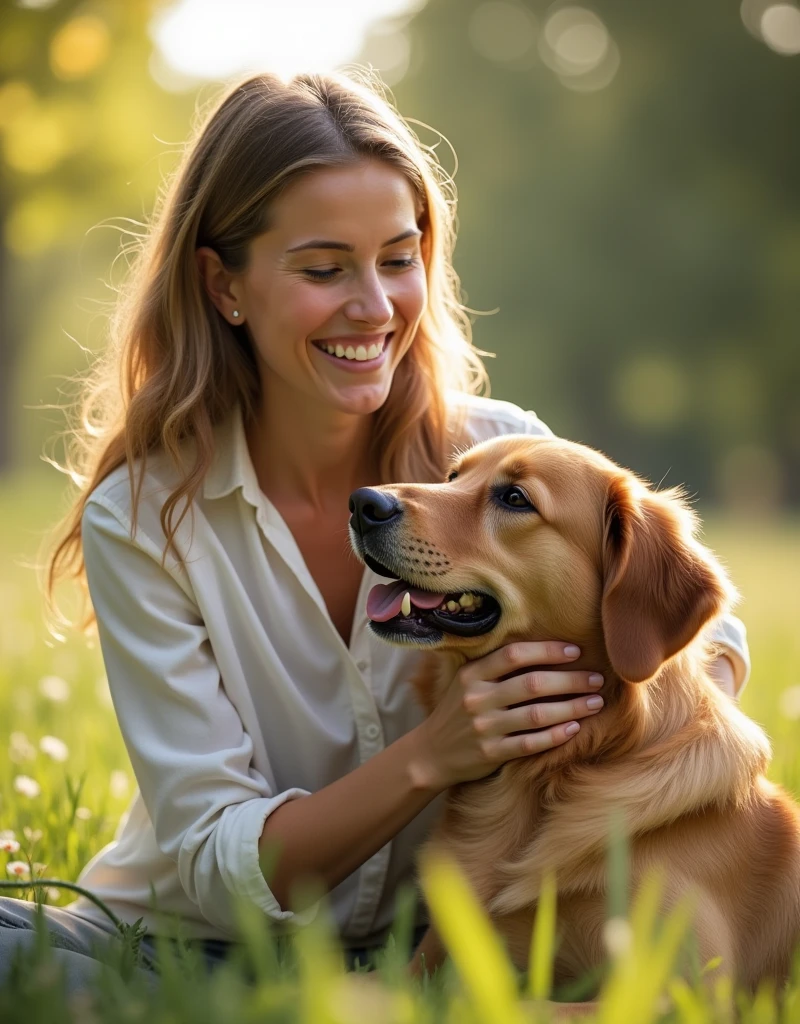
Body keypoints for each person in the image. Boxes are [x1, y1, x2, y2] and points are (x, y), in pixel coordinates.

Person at [0, 69, 748, 990]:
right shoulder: (147, 517)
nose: (375, 305)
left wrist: (603, 728)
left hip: (443, 944)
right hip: (184, 946)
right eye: (324, 269)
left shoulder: (494, 451)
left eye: (399, 259)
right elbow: (215, 856)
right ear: (223, 284)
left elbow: (690, 637)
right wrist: (437, 754)